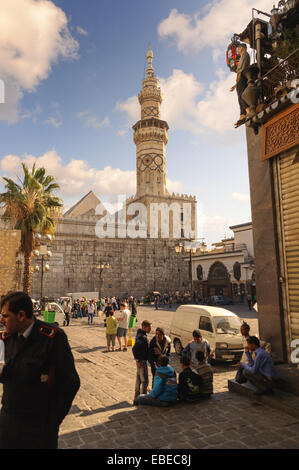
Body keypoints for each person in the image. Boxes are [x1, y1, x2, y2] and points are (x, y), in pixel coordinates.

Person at [0, 291, 80, 449]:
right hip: (8, 423)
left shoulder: (52, 338)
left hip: (38, 428)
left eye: (5, 316)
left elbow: (70, 382)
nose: (2, 320)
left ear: (21, 315)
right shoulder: (7, 339)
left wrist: (52, 421)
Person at [230, 43, 250, 127]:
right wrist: (235, 85)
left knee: (242, 95)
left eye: (238, 48)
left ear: (242, 48)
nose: (237, 50)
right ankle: (242, 114)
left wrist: (240, 76)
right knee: (239, 96)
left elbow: (243, 67)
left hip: (242, 77)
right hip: (239, 78)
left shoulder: (245, 54)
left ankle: (247, 111)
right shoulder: (242, 56)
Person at [132, 320, 151, 405]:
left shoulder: (140, 334)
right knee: (144, 381)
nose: (150, 329)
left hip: (141, 360)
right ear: (144, 327)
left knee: (139, 380)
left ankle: (136, 399)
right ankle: (143, 400)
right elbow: (135, 348)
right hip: (142, 361)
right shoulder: (142, 337)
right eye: (149, 327)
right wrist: (137, 360)